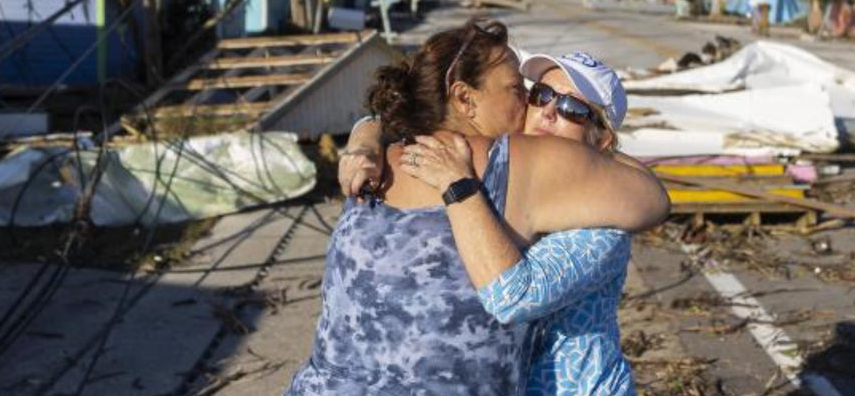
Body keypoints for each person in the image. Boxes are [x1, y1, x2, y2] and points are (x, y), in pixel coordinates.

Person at [286, 20, 668, 395]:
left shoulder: (377, 166)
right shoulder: (523, 162)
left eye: (571, 107)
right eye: (530, 92)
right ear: (465, 98)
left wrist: (367, 131)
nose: (539, 109)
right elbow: (654, 198)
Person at [398, 50, 641, 395]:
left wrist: (457, 186)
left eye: (573, 109)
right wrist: (364, 137)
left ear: (600, 139)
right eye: (541, 94)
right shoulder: (506, 172)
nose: (549, 111)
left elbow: (512, 297)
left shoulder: (605, 221)